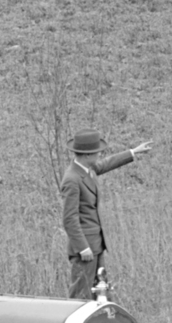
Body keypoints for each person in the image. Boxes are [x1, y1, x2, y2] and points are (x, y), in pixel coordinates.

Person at [60, 128, 153, 299]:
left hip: (96, 245)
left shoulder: (87, 169)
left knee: (101, 293)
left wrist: (133, 152)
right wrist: (83, 247)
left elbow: (105, 164)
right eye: (97, 153)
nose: (99, 155)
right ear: (87, 155)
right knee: (80, 296)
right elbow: (69, 219)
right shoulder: (72, 179)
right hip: (85, 249)